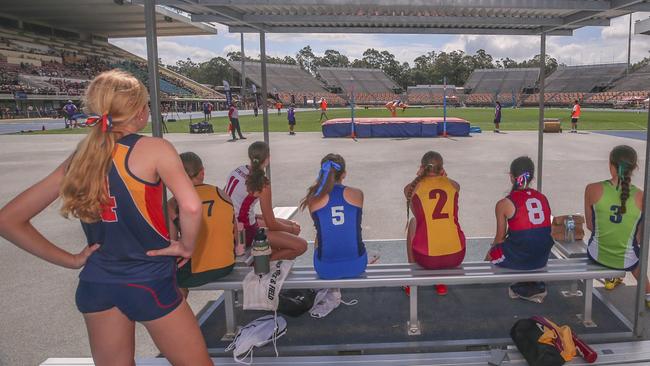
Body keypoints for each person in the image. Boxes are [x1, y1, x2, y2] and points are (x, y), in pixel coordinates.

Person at [0, 70, 212, 365]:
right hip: (149, 278)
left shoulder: (82, 157)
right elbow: (190, 207)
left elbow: (7, 220)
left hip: (97, 283)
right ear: (139, 111)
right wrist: (186, 246)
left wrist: (70, 259)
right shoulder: (153, 149)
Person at [584, 145, 650, 307]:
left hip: (597, 256)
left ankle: (611, 277)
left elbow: (591, 226)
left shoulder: (592, 189)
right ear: (634, 167)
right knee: (633, 254)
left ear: (610, 164)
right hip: (626, 260)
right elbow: (641, 236)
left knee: (606, 238)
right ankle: (648, 293)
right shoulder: (642, 196)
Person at [485, 156, 553, 302]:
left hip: (523, 258)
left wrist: (488, 256)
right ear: (532, 177)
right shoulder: (542, 197)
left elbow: (499, 238)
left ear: (511, 177)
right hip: (542, 258)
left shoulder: (504, 203)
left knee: (494, 253)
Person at [224, 141, 307, 260]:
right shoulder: (262, 183)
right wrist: (291, 230)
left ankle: (271, 250)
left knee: (291, 224)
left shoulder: (237, 170)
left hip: (231, 223)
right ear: (267, 159)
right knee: (300, 245)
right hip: (244, 232)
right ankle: (261, 261)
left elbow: (229, 197)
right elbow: (271, 224)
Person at [168, 152, 236, 297]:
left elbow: (172, 243)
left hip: (197, 271)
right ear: (202, 172)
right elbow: (234, 231)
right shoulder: (221, 193)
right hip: (227, 264)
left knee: (168, 277)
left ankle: (180, 312)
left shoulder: (174, 203)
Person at [404, 151, 466, 295]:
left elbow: (418, 215)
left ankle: (412, 278)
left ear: (422, 168)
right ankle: (440, 283)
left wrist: (419, 176)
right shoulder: (454, 185)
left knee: (414, 222)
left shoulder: (413, 188)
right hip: (456, 255)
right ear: (442, 169)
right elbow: (453, 184)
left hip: (427, 258)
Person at [300, 154, 367, 279]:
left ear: (322, 173)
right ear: (344, 174)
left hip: (325, 268)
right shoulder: (357, 194)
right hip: (357, 264)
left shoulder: (314, 199)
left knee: (321, 232)